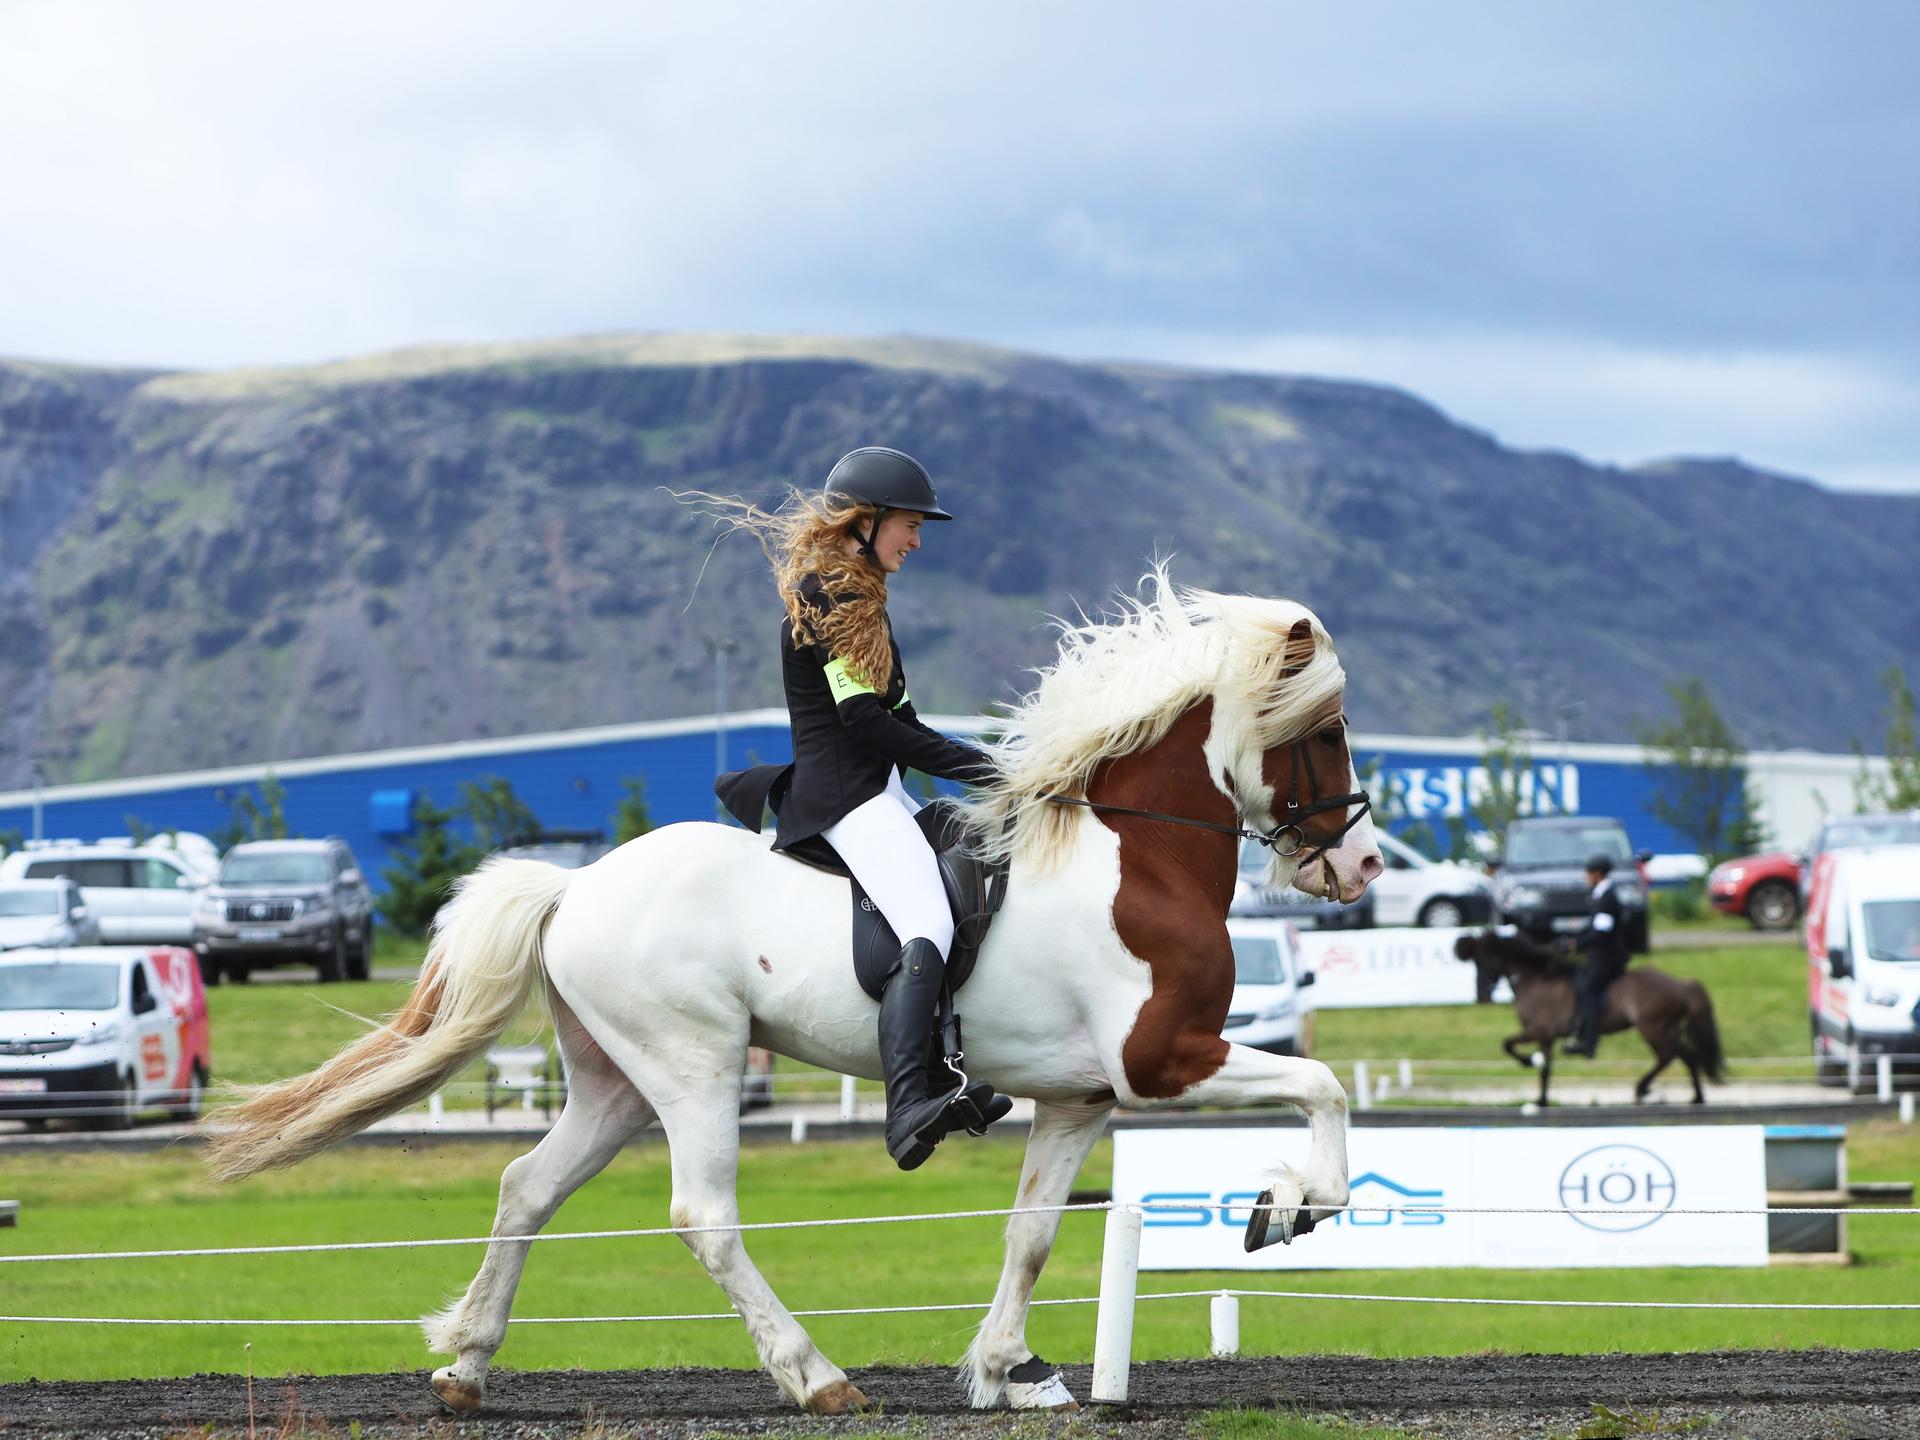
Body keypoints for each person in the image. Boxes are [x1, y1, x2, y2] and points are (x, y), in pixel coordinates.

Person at [706, 446, 1013, 1170]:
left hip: (881, 787)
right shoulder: (831, 599)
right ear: (865, 522)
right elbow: (868, 726)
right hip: (847, 797)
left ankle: (943, 1070)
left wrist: (988, 767)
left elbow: (898, 721)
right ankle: (908, 1104)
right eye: (909, 524)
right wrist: (981, 765)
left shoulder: (858, 596)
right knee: (929, 923)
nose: (916, 539)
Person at [1563, 852, 1631, 1057]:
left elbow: (1601, 933)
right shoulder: (1600, 894)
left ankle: (1589, 1042)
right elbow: (1593, 927)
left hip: (1609, 957)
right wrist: (1573, 938)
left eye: (1589, 873)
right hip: (1599, 955)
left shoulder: (1607, 897)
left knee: (1589, 989)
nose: (1586, 877)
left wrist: (1577, 944)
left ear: (1598, 874)